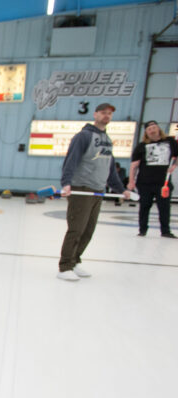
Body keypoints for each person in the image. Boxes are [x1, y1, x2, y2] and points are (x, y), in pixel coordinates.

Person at [57, 102, 132, 281]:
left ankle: (75, 261)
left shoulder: (107, 140)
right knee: (76, 229)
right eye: (103, 112)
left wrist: (121, 189)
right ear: (95, 114)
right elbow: (71, 160)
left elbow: (110, 169)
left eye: (110, 113)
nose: (107, 116)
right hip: (82, 188)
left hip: (98, 189)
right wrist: (66, 183)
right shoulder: (83, 136)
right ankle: (65, 266)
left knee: (88, 230)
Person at [127, 120, 178, 238]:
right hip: (144, 183)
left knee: (164, 207)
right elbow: (134, 165)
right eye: (149, 129)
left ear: (158, 128)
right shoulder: (141, 146)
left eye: (154, 127)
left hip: (163, 183)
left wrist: (174, 165)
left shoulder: (170, 142)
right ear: (146, 132)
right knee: (144, 206)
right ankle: (142, 230)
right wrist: (131, 181)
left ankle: (165, 231)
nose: (152, 130)